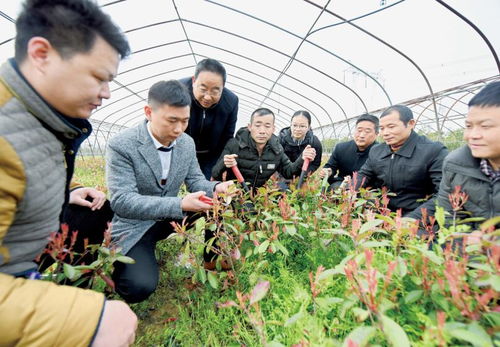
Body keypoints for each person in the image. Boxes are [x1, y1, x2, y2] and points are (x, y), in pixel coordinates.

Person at [0, 0, 137, 346]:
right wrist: (84, 321)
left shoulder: (40, 119)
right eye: (99, 78)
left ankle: (60, 286)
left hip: (22, 259)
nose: (106, 93)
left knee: (93, 211)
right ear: (42, 55)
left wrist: (69, 189)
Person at [106, 80, 233, 303]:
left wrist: (216, 188)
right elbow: (122, 201)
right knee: (138, 287)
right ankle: (131, 260)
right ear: (149, 112)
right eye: (172, 121)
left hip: (170, 217)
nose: (178, 129)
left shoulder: (186, 143)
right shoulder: (122, 145)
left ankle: (212, 261)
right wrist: (180, 204)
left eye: (185, 121)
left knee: (217, 203)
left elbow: (195, 181)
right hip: (136, 224)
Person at [357, 105, 448, 221]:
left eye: (391, 127)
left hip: (418, 214)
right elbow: (364, 175)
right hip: (383, 210)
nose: (385, 133)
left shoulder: (433, 151)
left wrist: (411, 220)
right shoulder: (377, 151)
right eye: (382, 128)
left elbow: (444, 193)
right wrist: (347, 192)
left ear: (410, 124)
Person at [437, 81, 500, 224]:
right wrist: (466, 241)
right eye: (468, 126)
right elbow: (449, 219)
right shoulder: (455, 164)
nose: (472, 135)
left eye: (485, 126)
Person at [212, 108, 316, 189]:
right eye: (257, 125)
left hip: (260, 195)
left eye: (267, 126)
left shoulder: (277, 149)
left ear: (273, 129)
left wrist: (302, 157)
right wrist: (224, 163)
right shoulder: (234, 145)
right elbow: (215, 173)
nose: (262, 131)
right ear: (250, 127)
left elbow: (288, 172)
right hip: (235, 193)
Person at [179, 58, 239, 179]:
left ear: (223, 87)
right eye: (203, 89)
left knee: (204, 188)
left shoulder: (231, 102)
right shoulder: (178, 91)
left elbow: (227, 138)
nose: (207, 97)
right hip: (179, 151)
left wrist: (219, 167)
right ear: (193, 81)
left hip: (210, 156)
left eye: (215, 91)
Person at [319, 113, 379, 190]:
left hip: (368, 189)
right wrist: (328, 171)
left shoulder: (380, 152)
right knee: (334, 188)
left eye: (367, 131)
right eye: (359, 130)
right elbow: (330, 167)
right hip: (341, 184)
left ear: (376, 134)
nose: (361, 135)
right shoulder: (341, 148)